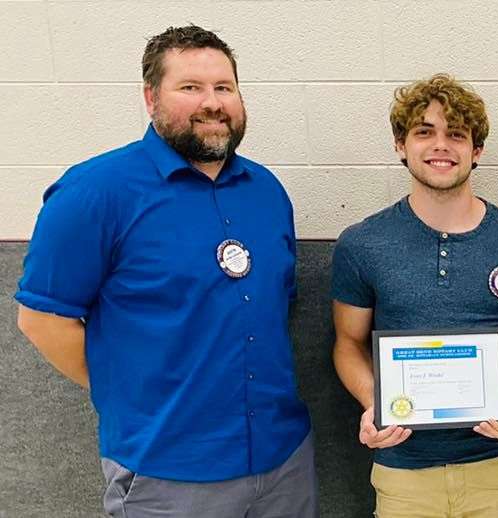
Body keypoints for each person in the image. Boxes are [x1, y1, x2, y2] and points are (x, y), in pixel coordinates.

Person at [15, 25, 316, 517]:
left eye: (224, 87)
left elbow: (276, 306)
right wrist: (131, 393)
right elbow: (42, 320)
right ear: (150, 98)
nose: (212, 103)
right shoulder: (94, 193)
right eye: (190, 87)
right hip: (166, 473)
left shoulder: (266, 191)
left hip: (284, 464)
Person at [330, 73, 498, 517]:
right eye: (424, 132)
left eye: (456, 134)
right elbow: (348, 344)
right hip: (403, 470)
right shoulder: (362, 244)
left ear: (477, 150)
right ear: (401, 145)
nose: (441, 146)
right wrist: (374, 403)